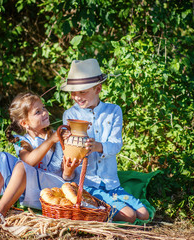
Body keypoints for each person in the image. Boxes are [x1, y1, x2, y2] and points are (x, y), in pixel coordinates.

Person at [0, 92, 79, 227]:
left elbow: (66, 174)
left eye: (44, 108)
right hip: (29, 183)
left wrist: (69, 169)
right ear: (25, 123)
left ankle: (0, 212)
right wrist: (51, 141)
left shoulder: (57, 137)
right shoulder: (20, 140)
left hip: (50, 187)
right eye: (38, 112)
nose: (45, 113)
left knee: (21, 166)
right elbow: (29, 160)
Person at [60, 58, 150, 223]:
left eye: (82, 92)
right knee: (130, 216)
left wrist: (98, 146)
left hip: (111, 182)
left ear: (98, 88)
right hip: (87, 183)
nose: (76, 97)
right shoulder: (71, 115)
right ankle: (98, 206)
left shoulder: (113, 111)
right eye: (73, 92)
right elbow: (70, 150)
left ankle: (105, 207)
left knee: (144, 214)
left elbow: (116, 144)